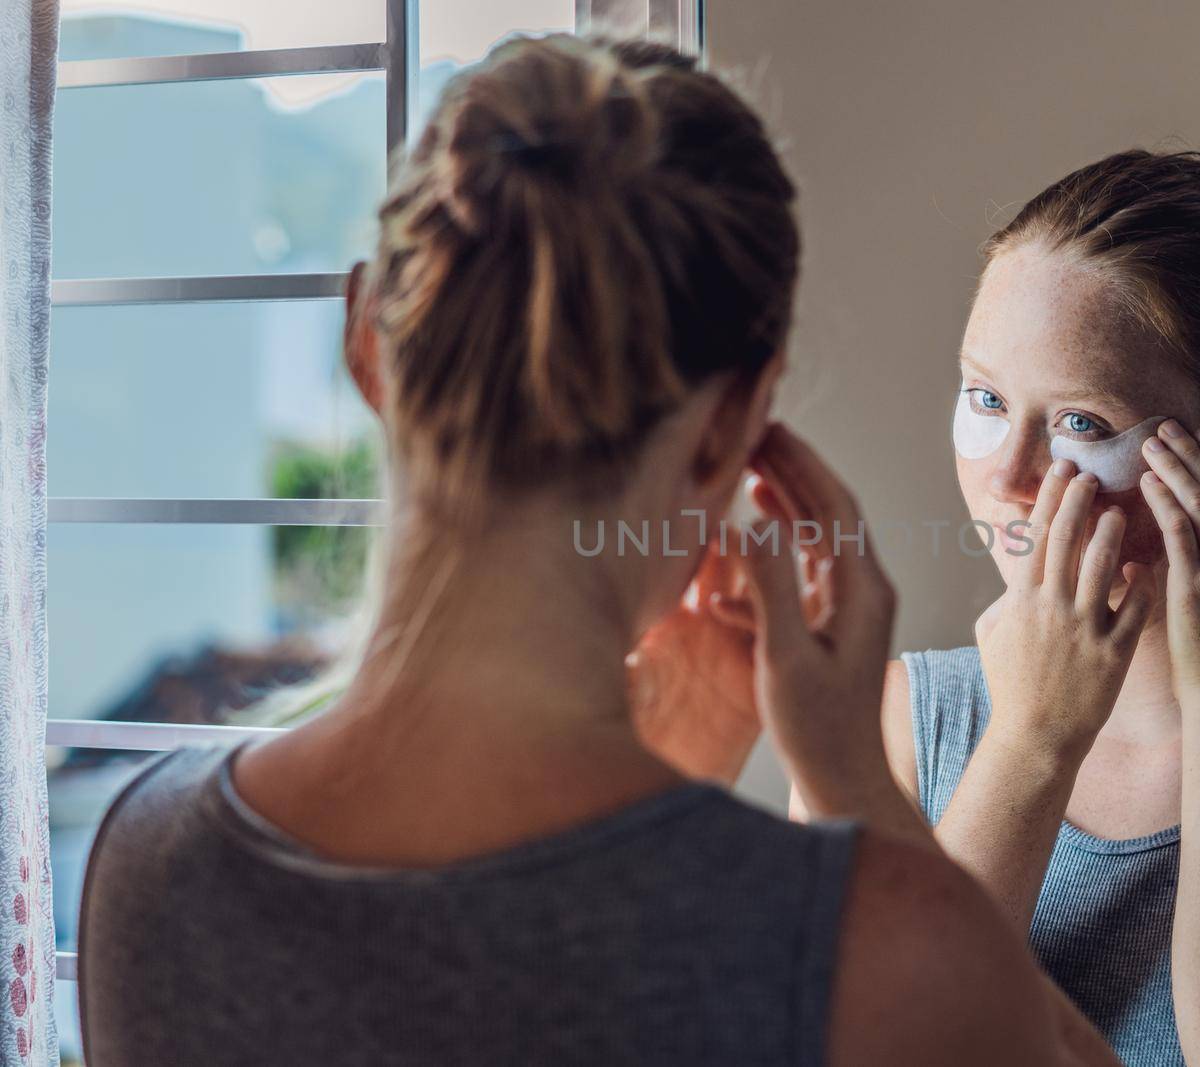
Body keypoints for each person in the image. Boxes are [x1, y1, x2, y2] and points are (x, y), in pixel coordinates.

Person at [75, 35, 1118, 1067]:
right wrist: (852, 783)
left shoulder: (148, 856)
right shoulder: (872, 945)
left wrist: (674, 765)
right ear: (732, 426)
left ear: (364, 343)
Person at [795, 150, 1200, 1066]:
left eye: (1080, 423)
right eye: (986, 397)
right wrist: (1032, 741)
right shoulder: (889, 727)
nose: (1006, 475)